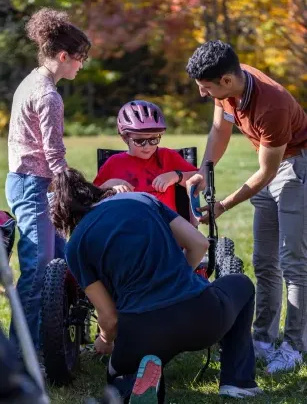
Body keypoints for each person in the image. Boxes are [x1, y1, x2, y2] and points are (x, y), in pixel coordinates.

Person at [50, 167, 262, 403]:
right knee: (241, 283)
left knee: (120, 373)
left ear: (64, 216)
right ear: (93, 191)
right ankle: (237, 382)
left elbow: (108, 317)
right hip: (201, 316)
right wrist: (180, 276)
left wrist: (106, 340)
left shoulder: (75, 245)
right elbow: (199, 244)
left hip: (142, 331)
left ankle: (134, 384)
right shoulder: (141, 199)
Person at [185, 40, 307, 373]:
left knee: (294, 261)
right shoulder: (226, 93)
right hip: (271, 166)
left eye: (206, 88)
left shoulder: (273, 104)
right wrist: (202, 171)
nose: (203, 94)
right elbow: (219, 131)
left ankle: (295, 346)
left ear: (226, 80)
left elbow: (269, 172)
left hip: (296, 166)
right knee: (265, 261)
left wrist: (223, 204)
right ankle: (264, 338)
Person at [5, 7, 91, 352]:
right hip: (33, 186)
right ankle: (25, 355)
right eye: (80, 59)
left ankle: (52, 343)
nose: (81, 66)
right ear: (63, 55)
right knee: (38, 274)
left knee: (59, 263)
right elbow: (53, 153)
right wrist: (74, 189)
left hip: (29, 181)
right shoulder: (48, 95)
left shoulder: (33, 80)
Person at [93, 100, 197, 213]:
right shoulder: (113, 163)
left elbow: (200, 178)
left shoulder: (168, 156)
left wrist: (176, 176)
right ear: (125, 138)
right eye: (139, 141)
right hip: (127, 224)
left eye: (154, 139)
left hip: (165, 224)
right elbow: (92, 197)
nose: (147, 147)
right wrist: (109, 187)